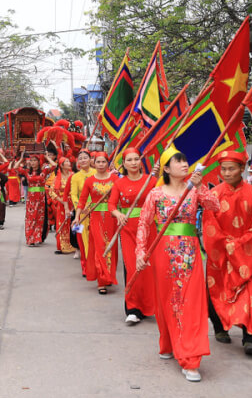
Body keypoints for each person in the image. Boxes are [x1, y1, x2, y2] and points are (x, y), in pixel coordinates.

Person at [135, 150, 220, 382]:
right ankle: (169, 342)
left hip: (191, 253)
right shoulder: (155, 194)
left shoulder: (194, 191)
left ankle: (190, 358)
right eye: (179, 161)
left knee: (191, 302)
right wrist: (140, 252)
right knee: (168, 301)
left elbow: (215, 205)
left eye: (185, 160)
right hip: (163, 253)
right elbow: (143, 223)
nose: (185, 164)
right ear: (166, 168)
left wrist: (201, 186)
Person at [203, 150, 252, 356]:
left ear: (242, 169)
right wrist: (225, 244)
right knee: (215, 292)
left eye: (231, 168)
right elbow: (209, 224)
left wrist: (238, 245)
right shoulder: (213, 195)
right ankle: (220, 327)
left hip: (248, 254)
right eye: (223, 169)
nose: (226, 172)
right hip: (220, 253)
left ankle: (251, 337)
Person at [109, 147, 157, 323]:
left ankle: (150, 306)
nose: (134, 163)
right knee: (132, 267)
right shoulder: (119, 183)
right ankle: (133, 308)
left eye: (136, 159)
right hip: (128, 229)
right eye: (129, 160)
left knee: (149, 268)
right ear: (123, 164)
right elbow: (111, 205)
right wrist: (118, 214)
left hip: (149, 228)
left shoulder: (151, 181)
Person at [76, 151, 118, 294]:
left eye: (103, 162)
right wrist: (77, 217)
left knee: (110, 247)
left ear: (108, 163)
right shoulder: (89, 181)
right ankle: (101, 280)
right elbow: (82, 201)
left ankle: (108, 275)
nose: (101, 165)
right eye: (98, 162)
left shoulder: (115, 179)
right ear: (94, 163)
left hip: (112, 218)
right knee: (100, 246)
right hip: (95, 218)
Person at [14, 151, 55, 246]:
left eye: (35, 160)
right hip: (31, 199)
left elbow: (54, 166)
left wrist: (47, 157)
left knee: (39, 218)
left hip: (41, 198)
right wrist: (21, 158)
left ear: (38, 162)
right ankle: (30, 238)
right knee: (30, 218)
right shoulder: (27, 172)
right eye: (31, 160)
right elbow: (15, 167)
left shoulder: (44, 171)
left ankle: (37, 238)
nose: (32, 162)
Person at [64, 149, 94, 272]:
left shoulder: (97, 172)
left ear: (91, 159)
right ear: (77, 162)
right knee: (82, 239)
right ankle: (87, 267)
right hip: (80, 213)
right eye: (80, 158)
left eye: (85, 157)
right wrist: (80, 208)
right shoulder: (75, 177)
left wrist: (91, 206)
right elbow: (73, 195)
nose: (83, 160)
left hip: (96, 209)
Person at [51, 157, 76, 255]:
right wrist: (61, 200)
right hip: (62, 204)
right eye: (66, 162)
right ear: (61, 165)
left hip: (74, 203)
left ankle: (75, 245)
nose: (69, 163)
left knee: (74, 223)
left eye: (69, 161)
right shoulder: (58, 177)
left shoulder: (73, 175)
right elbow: (51, 191)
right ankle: (63, 246)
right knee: (63, 223)